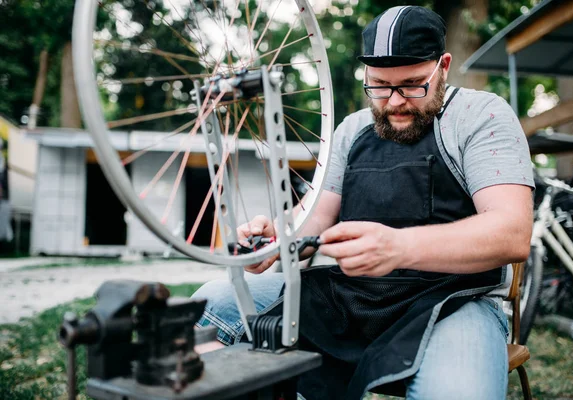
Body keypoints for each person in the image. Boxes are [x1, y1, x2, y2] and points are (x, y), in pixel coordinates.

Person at [192, 5, 534, 400]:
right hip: (352, 298)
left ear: (443, 65)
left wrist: (399, 247)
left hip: (453, 301)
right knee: (210, 304)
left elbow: (511, 233)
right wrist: (276, 237)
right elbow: (315, 217)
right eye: (379, 85)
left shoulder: (480, 115)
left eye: (412, 84)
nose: (394, 102)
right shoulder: (353, 129)